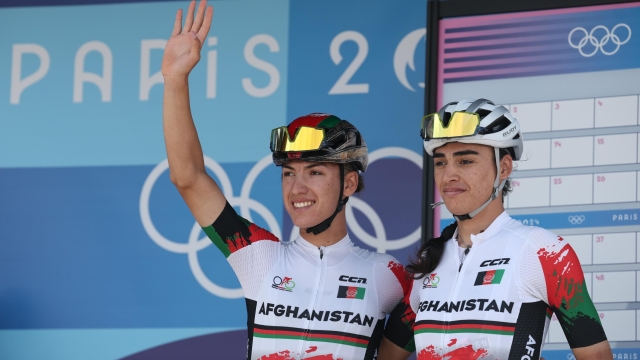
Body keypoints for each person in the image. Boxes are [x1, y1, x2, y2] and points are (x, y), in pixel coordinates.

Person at [161, 1, 409, 359]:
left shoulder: (389, 277)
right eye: (288, 173)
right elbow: (188, 178)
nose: (297, 188)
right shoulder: (258, 255)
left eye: (315, 172)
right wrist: (175, 81)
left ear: (350, 184)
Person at [378, 99, 611, 359]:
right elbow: (388, 355)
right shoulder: (429, 261)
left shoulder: (545, 252)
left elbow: (597, 355)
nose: (449, 175)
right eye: (441, 162)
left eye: (465, 161)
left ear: (504, 168)